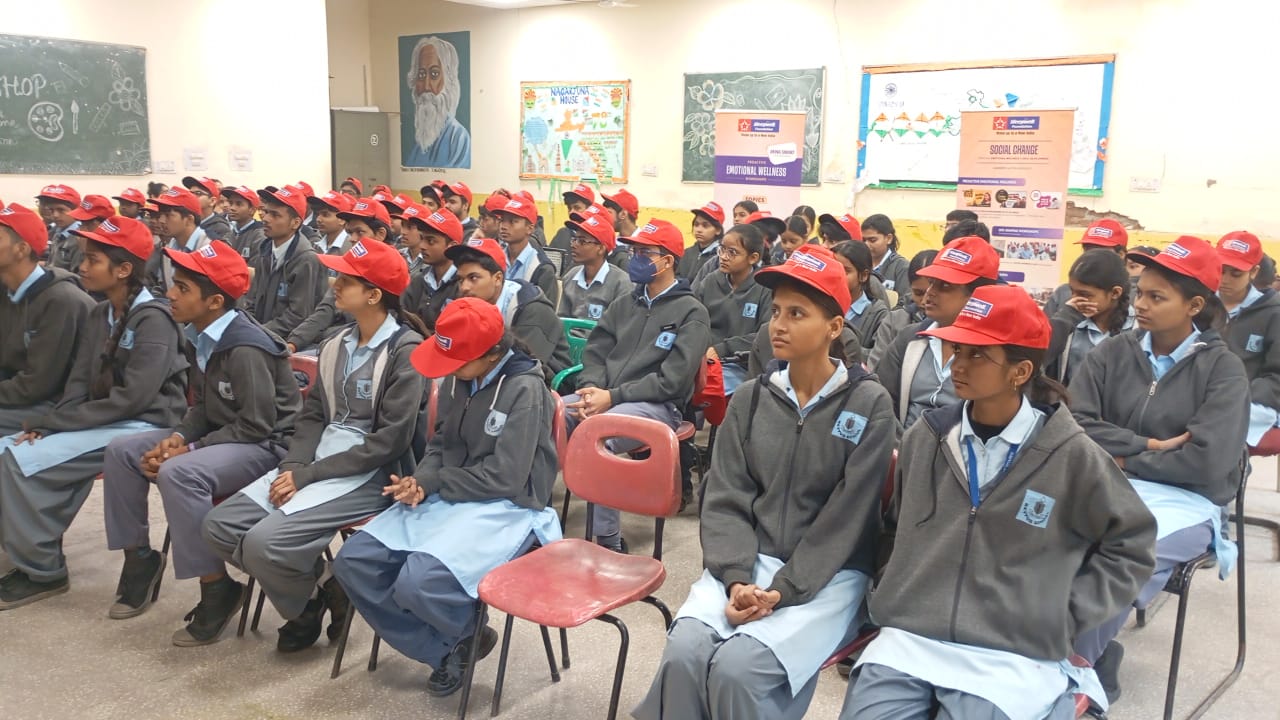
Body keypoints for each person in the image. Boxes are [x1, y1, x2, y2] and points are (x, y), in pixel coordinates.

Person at [840, 284, 1156, 720]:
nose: (957, 364)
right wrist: (895, 586)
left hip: (1010, 651)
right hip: (912, 637)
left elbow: (1131, 544)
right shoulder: (926, 437)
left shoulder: (1070, 455)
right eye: (958, 349)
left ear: (1020, 371)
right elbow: (894, 528)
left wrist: (1065, 613)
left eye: (977, 355)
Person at [635, 242, 895, 720]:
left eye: (797, 313)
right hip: (748, 560)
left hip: (827, 573)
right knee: (685, 651)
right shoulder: (753, 398)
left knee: (739, 669)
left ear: (834, 327)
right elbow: (726, 496)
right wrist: (737, 577)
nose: (778, 324)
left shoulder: (869, 405)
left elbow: (849, 516)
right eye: (775, 311)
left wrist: (785, 589)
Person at [202, 238, 428, 653]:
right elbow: (313, 417)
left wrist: (307, 475)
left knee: (264, 544)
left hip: (370, 471)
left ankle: (302, 609)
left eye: (346, 280)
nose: (334, 284)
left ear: (374, 295)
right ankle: (321, 589)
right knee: (219, 526)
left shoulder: (404, 350)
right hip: (316, 460)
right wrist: (293, 465)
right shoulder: (335, 343)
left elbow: (389, 441)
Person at [334, 298, 561, 696]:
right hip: (453, 492)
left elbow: (507, 477)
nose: (448, 370)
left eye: (456, 362)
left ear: (491, 356)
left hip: (508, 506)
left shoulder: (526, 390)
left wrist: (437, 482)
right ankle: (452, 644)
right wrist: (421, 480)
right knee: (354, 562)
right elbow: (441, 443)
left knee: (418, 582)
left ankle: (459, 635)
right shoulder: (461, 379)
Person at [1070, 236, 1249, 702]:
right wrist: (1142, 446)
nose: (1141, 305)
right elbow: (1076, 424)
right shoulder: (1112, 352)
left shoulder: (1223, 370)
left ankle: (1073, 674)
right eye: (1140, 293)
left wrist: (1124, 457)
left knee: (1122, 553)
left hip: (1186, 503)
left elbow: (1206, 461)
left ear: (1194, 306)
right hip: (1105, 481)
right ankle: (1065, 654)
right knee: (1035, 532)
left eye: (1156, 297)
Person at [101, 241, 302, 643]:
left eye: (183, 288)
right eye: (174, 284)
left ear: (214, 301)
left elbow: (257, 425)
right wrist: (177, 437)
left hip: (266, 447)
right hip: (226, 437)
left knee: (179, 472)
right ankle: (139, 558)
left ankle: (217, 586)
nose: (170, 294)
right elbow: (205, 407)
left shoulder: (245, 347)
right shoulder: (202, 336)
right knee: (121, 451)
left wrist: (190, 450)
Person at [0, 217, 187, 609]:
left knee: (16, 461)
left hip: (148, 423)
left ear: (123, 269)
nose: (82, 267)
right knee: (11, 449)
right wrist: (53, 424)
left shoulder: (154, 318)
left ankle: (43, 570)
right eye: (84, 258)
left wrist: (57, 422)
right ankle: (32, 546)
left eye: (93, 260)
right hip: (106, 419)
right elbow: (79, 383)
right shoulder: (99, 314)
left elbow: (133, 399)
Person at [563, 220, 710, 549]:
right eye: (634, 252)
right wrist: (591, 389)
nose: (635, 259)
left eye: (645, 253)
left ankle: (608, 542)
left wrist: (612, 396)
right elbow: (596, 352)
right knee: (550, 414)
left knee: (600, 433)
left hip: (659, 407)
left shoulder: (692, 313)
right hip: (607, 397)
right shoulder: (624, 305)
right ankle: (534, 519)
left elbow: (672, 381)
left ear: (667, 260)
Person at [876, 236, 1001, 430]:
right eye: (932, 283)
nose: (930, 293)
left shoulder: (998, 352)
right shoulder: (909, 339)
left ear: (979, 293)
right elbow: (881, 403)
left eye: (945, 286)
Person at [0, 204, 95, 435]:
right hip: (17, 392)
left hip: (56, 403)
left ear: (21, 249)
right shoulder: (6, 290)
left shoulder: (61, 301)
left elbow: (38, 384)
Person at [448, 237, 572, 375]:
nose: (464, 287)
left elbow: (526, 365)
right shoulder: (470, 303)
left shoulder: (531, 309)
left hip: (545, 379)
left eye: (473, 278)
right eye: (460, 279)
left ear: (498, 278)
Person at [1215, 231, 1280, 449]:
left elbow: (1276, 378)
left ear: (1254, 272)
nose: (1225, 279)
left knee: (1217, 425)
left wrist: (1235, 395)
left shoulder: (1274, 313)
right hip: (1202, 394)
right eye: (1221, 270)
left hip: (1254, 402)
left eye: (1235, 274)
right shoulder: (1201, 304)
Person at [696, 224, 772, 395]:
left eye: (732, 252)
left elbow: (765, 334)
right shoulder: (710, 281)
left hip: (739, 365)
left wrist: (722, 349)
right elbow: (691, 319)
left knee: (707, 389)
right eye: (722, 249)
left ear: (753, 258)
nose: (723, 257)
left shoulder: (764, 289)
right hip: (702, 358)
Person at [245, 186, 326, 339]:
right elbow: (251, 302)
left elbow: (298, 316)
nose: (266, 218)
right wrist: (247, 329)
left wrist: (257, 334)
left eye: (275, 215)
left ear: (295, 223)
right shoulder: (265, 251)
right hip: (261, 334)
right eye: (266, 212)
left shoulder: (306, 259)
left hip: (287, 341)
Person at [1046, 250, 1134, 385]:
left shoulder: (1137, 327)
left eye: (1085, 294)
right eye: (1072, 292)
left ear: (1115, 293)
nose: (1075, 299)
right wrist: (1064, 320)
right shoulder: (1068, 322)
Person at [403, 35, 471, 168]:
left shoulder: (458, 139)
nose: (426, 86)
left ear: (449, 80)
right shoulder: (420, 143)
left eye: (434, 74)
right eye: (421, 75)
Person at [868, 250, 938, 371]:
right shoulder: (894, 320)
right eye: (918, 293)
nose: (924, 301)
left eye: (932, 294)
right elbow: (875, 367)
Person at [1043, 219, 1129, 317]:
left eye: (1100, 251)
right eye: (1087, 250)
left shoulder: (1137, 298)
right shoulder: (1062, 293)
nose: (1091, 256)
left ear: (1121, 255)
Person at [401, 206, 464, 332]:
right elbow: (402, 319)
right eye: (422, 238)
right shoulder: (418, 281)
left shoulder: (463, 286)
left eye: (430, 241)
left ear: (452, 247)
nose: (422, 246)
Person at [558, 212, 630, 321]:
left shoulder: (621, 283)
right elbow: (562, 320)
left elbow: (621, 326)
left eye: (582, 241)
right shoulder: (570, 277)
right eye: (574, 239)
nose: (573, 245)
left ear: (601, 249)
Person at [494, 196, 559, 305]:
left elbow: (546, 312)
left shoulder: (542, 269)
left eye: (512, 221)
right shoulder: (494, 260)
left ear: (530, 228)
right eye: (502, 220)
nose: (504, 226)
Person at [146, 187, 212, 294]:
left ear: (189, 219)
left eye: (168, 215)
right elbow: (163, 287)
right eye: (161, 215)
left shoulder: (209, 248)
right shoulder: (169, 248)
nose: (161, 220)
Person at [832, 240, 889, 355]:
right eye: (834, 269)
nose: (838, 276)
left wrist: (848, 347)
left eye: (846, 271)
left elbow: (877, 356)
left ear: (863, 276)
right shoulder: (823, 305)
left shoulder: (878, 314)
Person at [861, 214, 909, 299]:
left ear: (889, 238)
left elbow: (905, 301)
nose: (866, 245)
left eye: (872, 240)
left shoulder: (902, 267)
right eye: (864, 240)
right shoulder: (860, 264)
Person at [37, 184, 82, 271]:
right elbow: (52, 264)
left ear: (76, 210)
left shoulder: (78, 238)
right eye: (51, 210)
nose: (55, 215)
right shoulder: (58, 232)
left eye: (61, 210)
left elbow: (77, 275)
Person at [677, 201, 725, 282]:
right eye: (696, 225)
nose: (699, 230)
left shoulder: (721, 257)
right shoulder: (686, 253)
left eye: (705, 226)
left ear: (718, 230)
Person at [221, 185, 265, 261]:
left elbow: (256, 266)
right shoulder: (230, 233)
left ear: (252, 210)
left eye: (238, 204)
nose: (232, 208)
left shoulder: (259, 235)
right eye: (231, 203)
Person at [181, 177, 232, 242]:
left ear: (212, 201)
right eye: (190, 193)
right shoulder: (186, 222)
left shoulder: (220, 229)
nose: (191, 197)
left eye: (198, 193)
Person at [548, 184, 596, 252]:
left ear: (589, 209)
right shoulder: (562, 233)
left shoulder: (597, 238)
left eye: (577, 208)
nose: (571, 212)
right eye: (569, 208)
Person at [310, 190, 355, 258]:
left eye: (325, 215)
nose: (318, 219)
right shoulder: (315, 246)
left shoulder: (351, 248)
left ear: (342, 220)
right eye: (318, 214)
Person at [602, 188, 639, 268]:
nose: (604, 217)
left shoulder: (645, 244)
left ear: (623, 214)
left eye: (608, 212)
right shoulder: (611, 244)